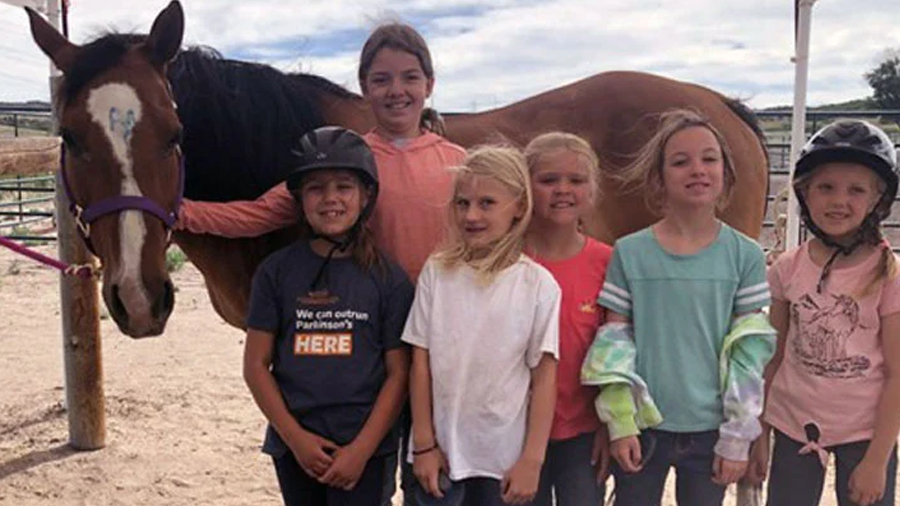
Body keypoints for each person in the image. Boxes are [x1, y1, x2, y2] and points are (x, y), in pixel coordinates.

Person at [176, 22, 467, 505]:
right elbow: (258, 213)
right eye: (382, 79)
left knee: (431, 481)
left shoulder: (457, 162)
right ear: (363, 87)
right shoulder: (347, 161)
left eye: (410, 78)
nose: (397, 90)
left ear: (429, 85)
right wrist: (176, 211)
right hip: (365, 349)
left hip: (432, 351)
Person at [581, 109, 776, 506]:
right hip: (644, 429)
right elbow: (613, 343)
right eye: (680, 161)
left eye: (709, 158)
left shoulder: (746, 255)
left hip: (712, 433)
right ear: (660, 177)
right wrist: (620, 422)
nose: (697, 170)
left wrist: (738, 436)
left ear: (725, 172)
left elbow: (749, 353)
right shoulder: (630, 252)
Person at [243, 126, 413, 506]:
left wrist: (361, 450)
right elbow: (255, 364)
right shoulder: (277, 271)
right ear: (300, 198)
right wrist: (295, 438)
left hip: (366, 448)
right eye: (316, 188)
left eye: (344, 186)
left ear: (366, 195)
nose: (330, 198)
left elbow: (399, 373)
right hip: (295, 446)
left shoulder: (388, 277)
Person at [746, 119, 900, 506]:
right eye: (825, 187)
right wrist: (759, 431)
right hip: (795, 426)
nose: (838, 200)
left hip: (864, 434)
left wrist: (878, 458)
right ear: (805, 193)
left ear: (877, 200)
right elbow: (773, 355)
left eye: (856, 190)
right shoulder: (787, 267)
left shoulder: (889, 275)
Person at [404, 145, 560, 506]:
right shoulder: (437, 272)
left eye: (487, 203)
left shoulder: (537, 285)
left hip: (503, 462)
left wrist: (532, 461)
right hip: (440, 457)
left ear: (519, 206)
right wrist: (424, 444)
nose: (471, 215)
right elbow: (420, 363)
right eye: (462, 203)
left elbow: (544, 377)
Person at [522, 132, 612, 506]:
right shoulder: (508, 261)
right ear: (526, 188)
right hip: (518, 433)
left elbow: (617, 353)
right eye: (548, 180)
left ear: (591, 190)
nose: (562, 190)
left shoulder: (607, 262)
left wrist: (611, 427)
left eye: (575, 180)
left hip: (583, 434)